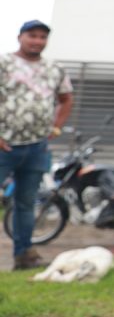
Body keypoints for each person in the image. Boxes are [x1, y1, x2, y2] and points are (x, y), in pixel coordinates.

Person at [0, 20, 73, 270]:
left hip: (36, 147)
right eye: (32, 36)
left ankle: (24, 255)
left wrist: (56, 127)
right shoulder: (4, 64)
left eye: (42, 37)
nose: (37, 41)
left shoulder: (54, 69)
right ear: (20, 37)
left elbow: (66, 98)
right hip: (4, 145)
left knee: (26, 203)